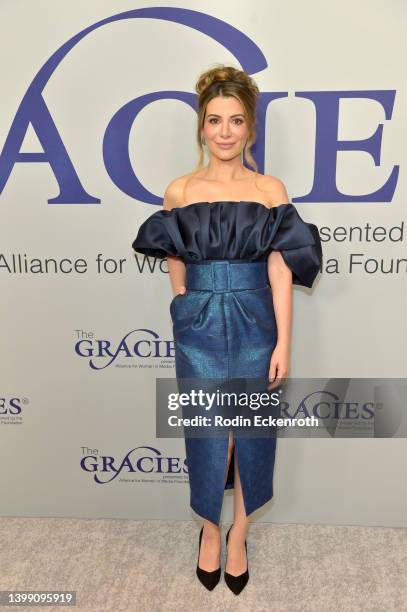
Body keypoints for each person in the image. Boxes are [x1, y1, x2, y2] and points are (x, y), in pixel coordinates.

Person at [132, 65, 322, 595]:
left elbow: (282, 268)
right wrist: (183, 309)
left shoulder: (268, 189)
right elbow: (173, 256)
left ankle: (239, 533)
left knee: (250, 435)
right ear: (201, 126)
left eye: (236, 121)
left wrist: (284, 340)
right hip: (199, 327)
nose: (224, 131)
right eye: (214, 120)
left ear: (250, 129)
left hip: (257, 320)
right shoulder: (180, 190)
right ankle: (209, 532)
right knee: (206, 434)